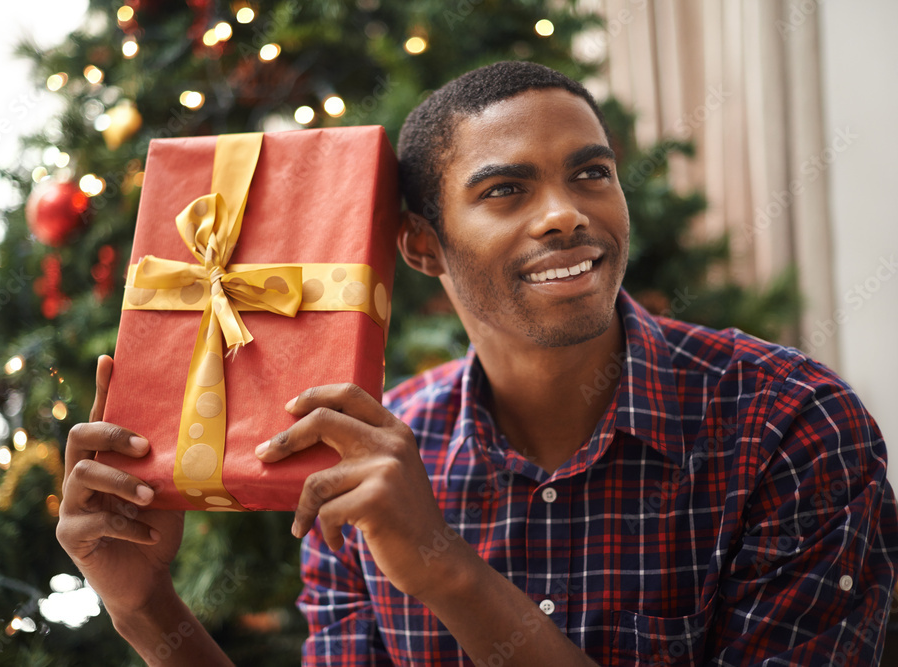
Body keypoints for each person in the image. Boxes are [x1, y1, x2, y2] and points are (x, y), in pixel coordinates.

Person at [56, 61, 898, 666]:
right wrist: (142, 606)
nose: (567, 215)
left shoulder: (792, 425)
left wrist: (443, 568)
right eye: (507, 190)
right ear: (422, 246)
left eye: (591, 175)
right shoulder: (352, 462)